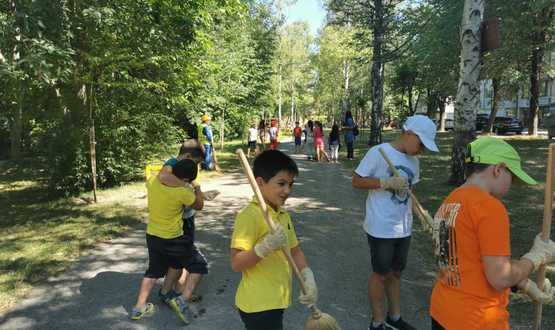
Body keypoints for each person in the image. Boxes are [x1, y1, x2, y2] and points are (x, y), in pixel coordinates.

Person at [429, 136, 555, 330]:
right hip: (477, 320)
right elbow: (500, 277)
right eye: (511, 177)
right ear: (498, 169)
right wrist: (534, 258)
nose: (511, 185)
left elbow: (468, 262)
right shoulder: (489, 207)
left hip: (443, 311)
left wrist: (524, 283)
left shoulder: (450, 201)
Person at [352, 114, 439, 330]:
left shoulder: (414, 161)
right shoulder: (379, 152)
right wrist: (384, 182)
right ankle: (377, 321)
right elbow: (356, 180)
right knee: (381, 274)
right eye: (421, 144)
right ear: (409, 134)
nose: (422, 151)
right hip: (381, 227)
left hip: (403, 228)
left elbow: (411, 195)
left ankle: (395, 317)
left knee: (396, 273)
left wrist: (423, 216)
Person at [230, 150, 318, 330]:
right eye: (281, 183)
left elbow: (294, 250)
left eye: (290, 184)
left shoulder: (282, 214)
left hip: (277, 299)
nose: (288, 190)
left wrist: (307, 275)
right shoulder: (250, 216)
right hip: (258, 304)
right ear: (260, 183)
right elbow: (236, 263)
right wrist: (264, 248)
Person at [131, 158, 204, 325]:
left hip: (153, 235)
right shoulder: (183, 192)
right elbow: (199, 205)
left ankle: (139, 307)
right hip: (173, 237)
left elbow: (160, 177)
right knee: (199, 265)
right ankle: (181, 300)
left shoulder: (152, 182)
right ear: (186, 180)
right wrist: (197, 187)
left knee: (155, 270)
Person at [157, 140, 213, 309]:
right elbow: (164, 177)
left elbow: (190, 183)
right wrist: (187, 187)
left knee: (180, 256)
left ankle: (173, 289)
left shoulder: (179, 167)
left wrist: (199, 191)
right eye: (195, 163)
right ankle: (177, 290)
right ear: (188, 156)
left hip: (186, 217)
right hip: (180, 220)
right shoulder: (172, 164)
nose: (195, 166)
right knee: (183, 254)